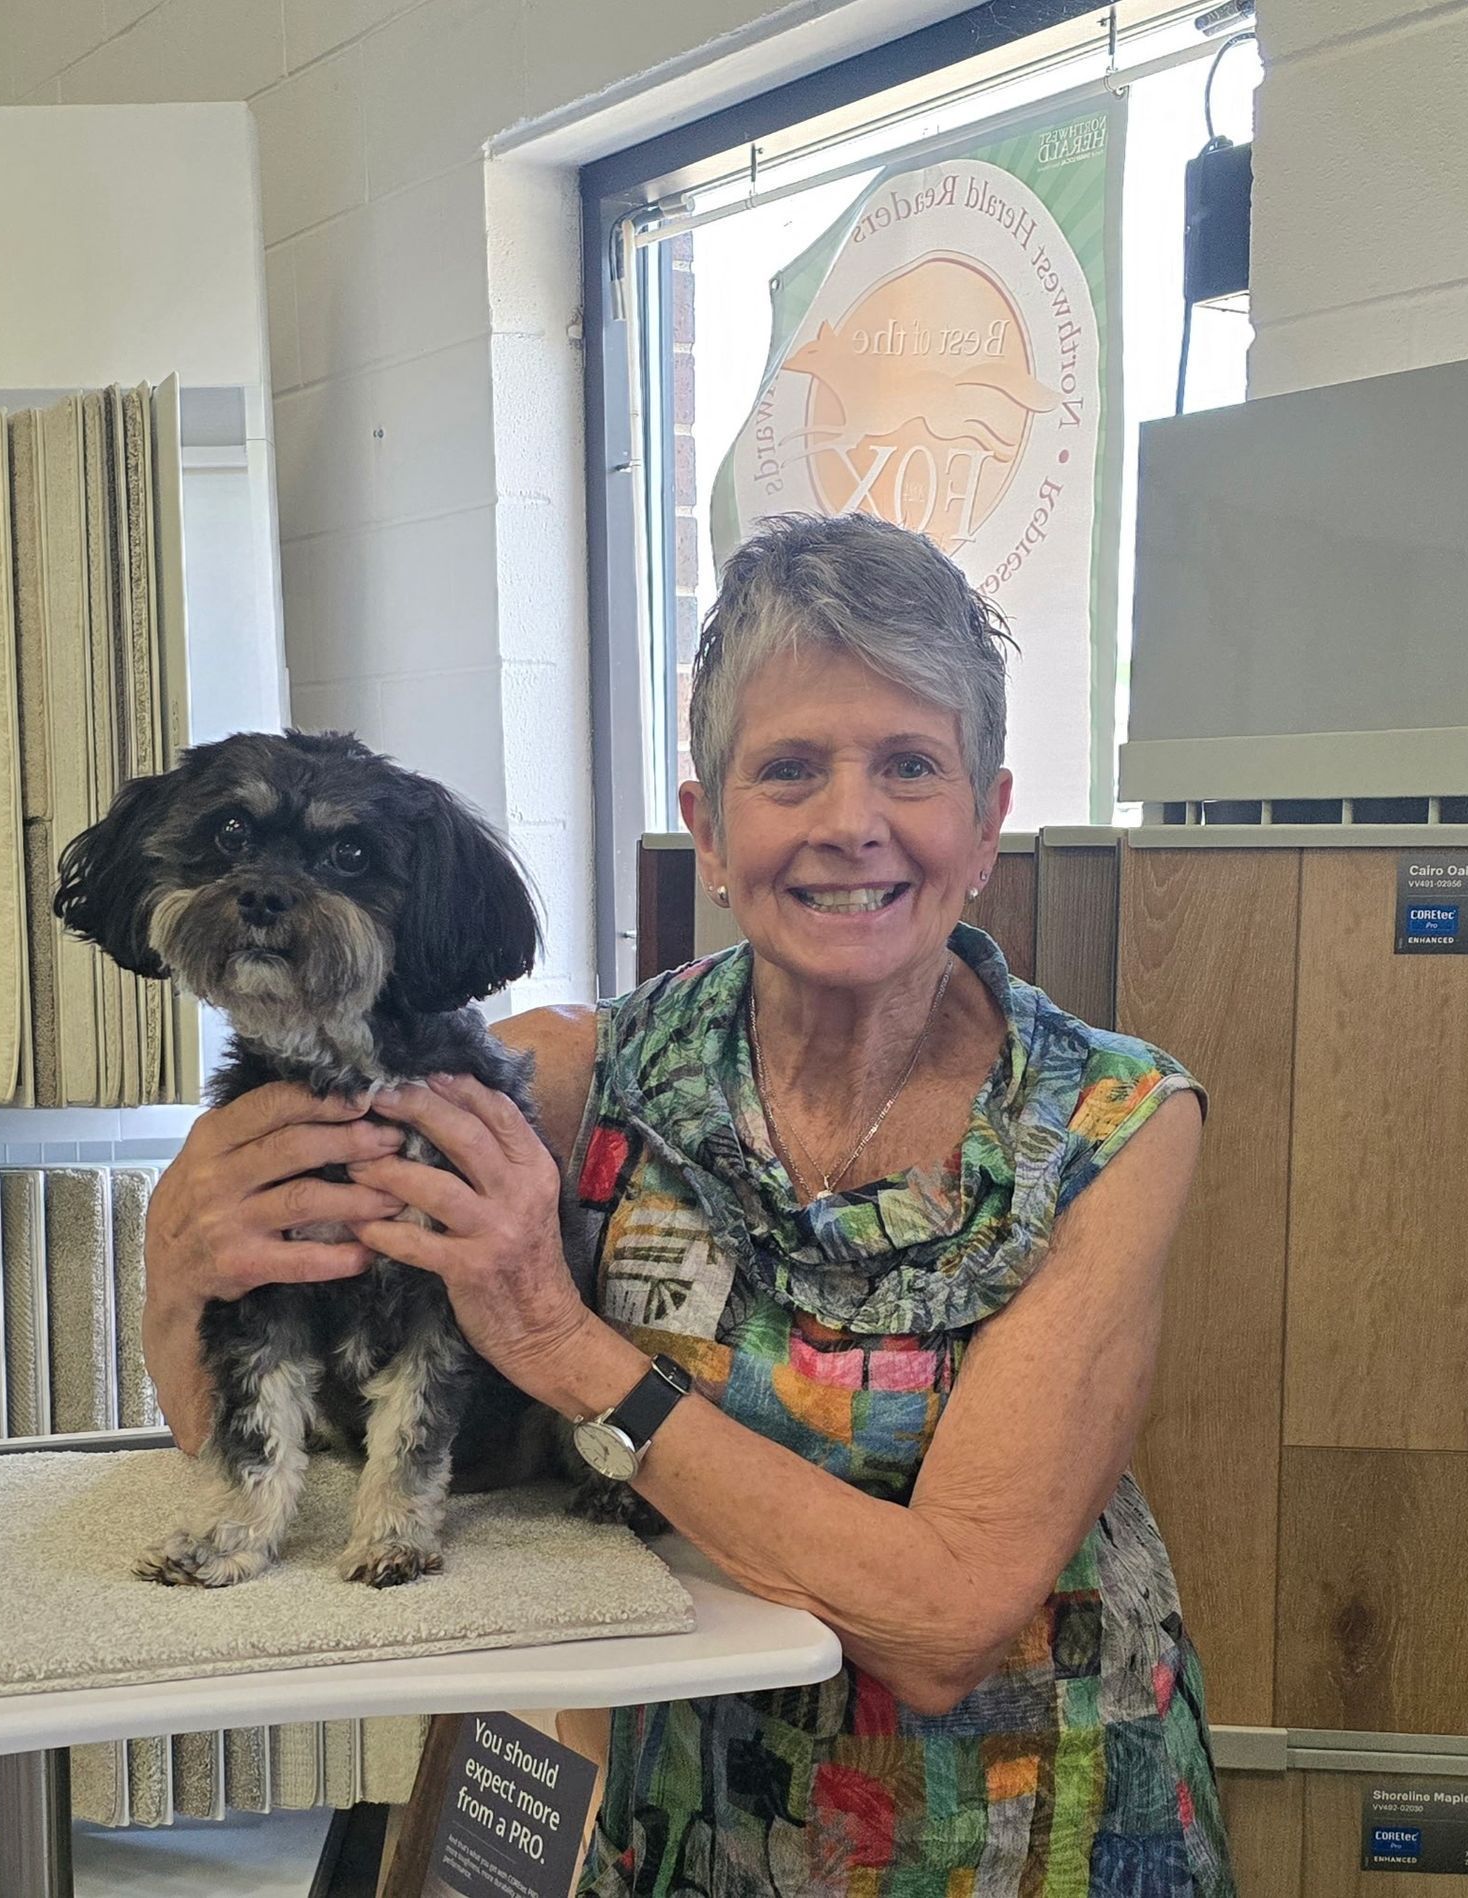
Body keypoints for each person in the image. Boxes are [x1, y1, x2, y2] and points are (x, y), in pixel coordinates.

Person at [142, 511, 1236, 1896]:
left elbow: (946, 1615)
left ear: (986, 820)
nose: (852, 822)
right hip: (669, 1833)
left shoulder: (1107, 1127)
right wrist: (177, 1261)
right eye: (790, 770)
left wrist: (565, 1347)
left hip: (1021, 1840)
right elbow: (246, 1416)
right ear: (711, 827)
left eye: (909, 763)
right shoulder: (569, 1080)